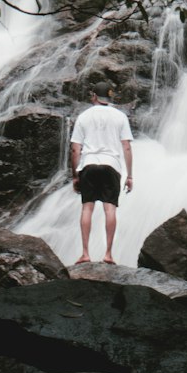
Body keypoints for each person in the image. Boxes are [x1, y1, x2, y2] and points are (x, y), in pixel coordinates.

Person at [69, 81, 134, 264]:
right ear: (110, 97)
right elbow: (127, 147)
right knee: (109, 208)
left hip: (88, 165)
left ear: (94, 96)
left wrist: (75, 175)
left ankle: (85, 253)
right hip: (111, 165)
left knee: (87, 207)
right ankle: (108, 254)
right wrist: (129, 175)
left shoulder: (84, 116)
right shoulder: (120, 117)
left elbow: (75, 149)